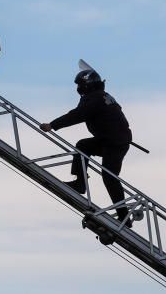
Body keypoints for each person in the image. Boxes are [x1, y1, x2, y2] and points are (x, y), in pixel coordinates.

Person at [40, 61, 134, 225]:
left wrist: (53, 125)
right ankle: (80, 182)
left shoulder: (94, 99)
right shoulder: (102, 96)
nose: (79, 89)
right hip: (112, 140)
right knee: (83, 146)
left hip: (113, 142)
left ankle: (124, 216)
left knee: (109, 176)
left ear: (87, 85)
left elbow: (77, 115)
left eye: (81, 85)